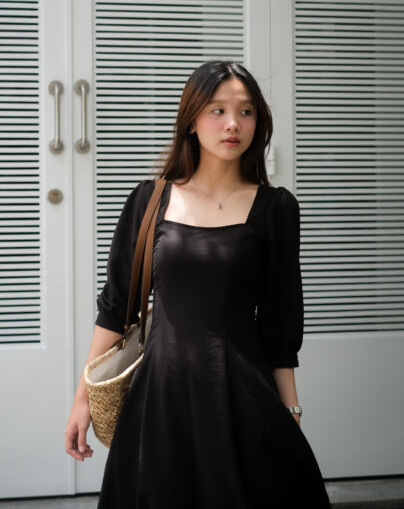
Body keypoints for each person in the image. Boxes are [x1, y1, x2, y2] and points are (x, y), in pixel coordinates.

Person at [64, 60, 332, 508]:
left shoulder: (276, 209)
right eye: (217, 110)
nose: (233, 123)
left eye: (246, 111)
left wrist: (291, 411)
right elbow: (115, 309)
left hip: (242, 396)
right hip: (160, 396)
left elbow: (280, 324)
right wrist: (82, 401)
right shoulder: (149, 200)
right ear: (191, 120)